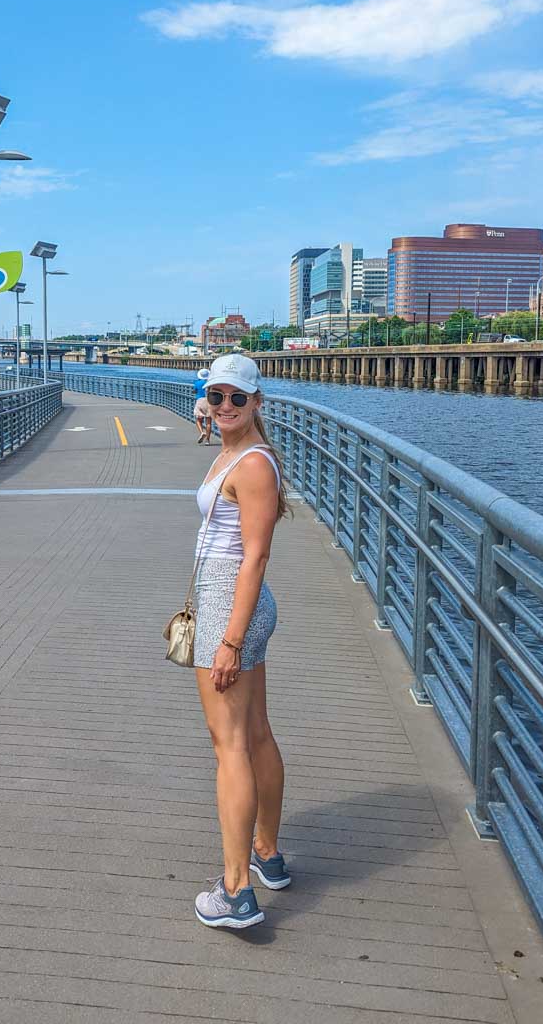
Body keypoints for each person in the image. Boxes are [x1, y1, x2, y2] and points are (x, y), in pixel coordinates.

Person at [190, 352, 291, 930]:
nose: (224, 406)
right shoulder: (233, 451)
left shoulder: (252, 465)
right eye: (216, 395)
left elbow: (255, 557)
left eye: (236, 398)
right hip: (230, 600)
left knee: (228, 743)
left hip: (233, 604)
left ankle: (236, 890)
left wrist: (228, 640)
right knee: (253, 733)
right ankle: (267, 853)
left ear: (256, 402)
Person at [192, 367, 212, 445]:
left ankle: (202, 432)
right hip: (209, 401)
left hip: (200, 401)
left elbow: (194, 390)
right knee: (209, 422)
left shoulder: (197, 383)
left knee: (198, 419)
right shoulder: (210, 383)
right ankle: (207, 440)